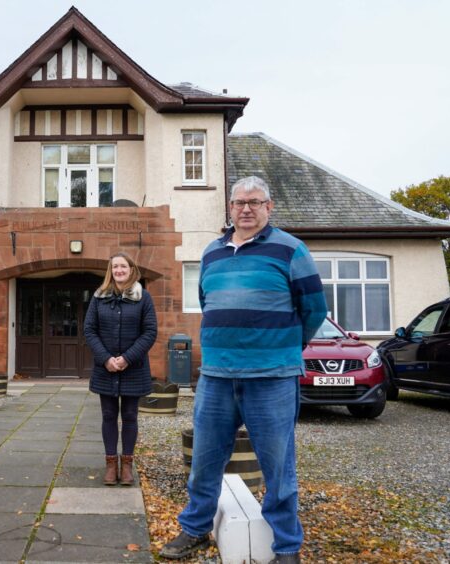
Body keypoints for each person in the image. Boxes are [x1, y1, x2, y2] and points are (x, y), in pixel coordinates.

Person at [160, 177, 327, 562]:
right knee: (204, 462)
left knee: (278, 469)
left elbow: (314, 309)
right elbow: (209, 301)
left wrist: (283, 346)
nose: (246, 209)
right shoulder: (212, 253)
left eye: (255, 202)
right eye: (239, 202)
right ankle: (195, 528)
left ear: (269, 206)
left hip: (272, 378)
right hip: (217, 376)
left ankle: (286, 546)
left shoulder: (291, 250)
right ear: (230, 208)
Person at [84, 252, 157, 486]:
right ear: (110, 271)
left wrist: (127, 358)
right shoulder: (98, 297)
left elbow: (149, 332)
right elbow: (89, 330)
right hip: (105, 368)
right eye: (115, 267)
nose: (119, 270)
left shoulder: (143, 297)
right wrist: (106, 358)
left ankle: (126, 465)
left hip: (133, 368)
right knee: (107, 415)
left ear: (131, 269)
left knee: (129, 416)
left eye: (123, 266)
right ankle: (110, 464)